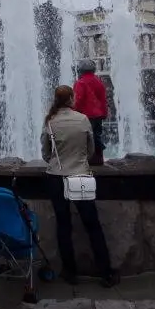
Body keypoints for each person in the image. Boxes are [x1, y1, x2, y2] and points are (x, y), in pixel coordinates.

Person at [40, 85, 120, 287]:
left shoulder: (50, 121)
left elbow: (45, 153)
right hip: (80, 176)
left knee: (63, 225)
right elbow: (91, 149)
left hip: (56, 178)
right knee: (92, 225)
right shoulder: (82, 119)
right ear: (71, 99)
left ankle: (70, 271)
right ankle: (105, 272)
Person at [73, 59, 108, 166]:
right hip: (99, 115)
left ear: (80, 70)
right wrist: (104, 113)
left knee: (85, 137)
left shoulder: (81, 83)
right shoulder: (98, 81)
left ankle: (87, 159)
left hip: (85, 115)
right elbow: (103, 99)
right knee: (97, 136)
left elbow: (77, 100)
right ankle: (98, 157)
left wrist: (73, 112)